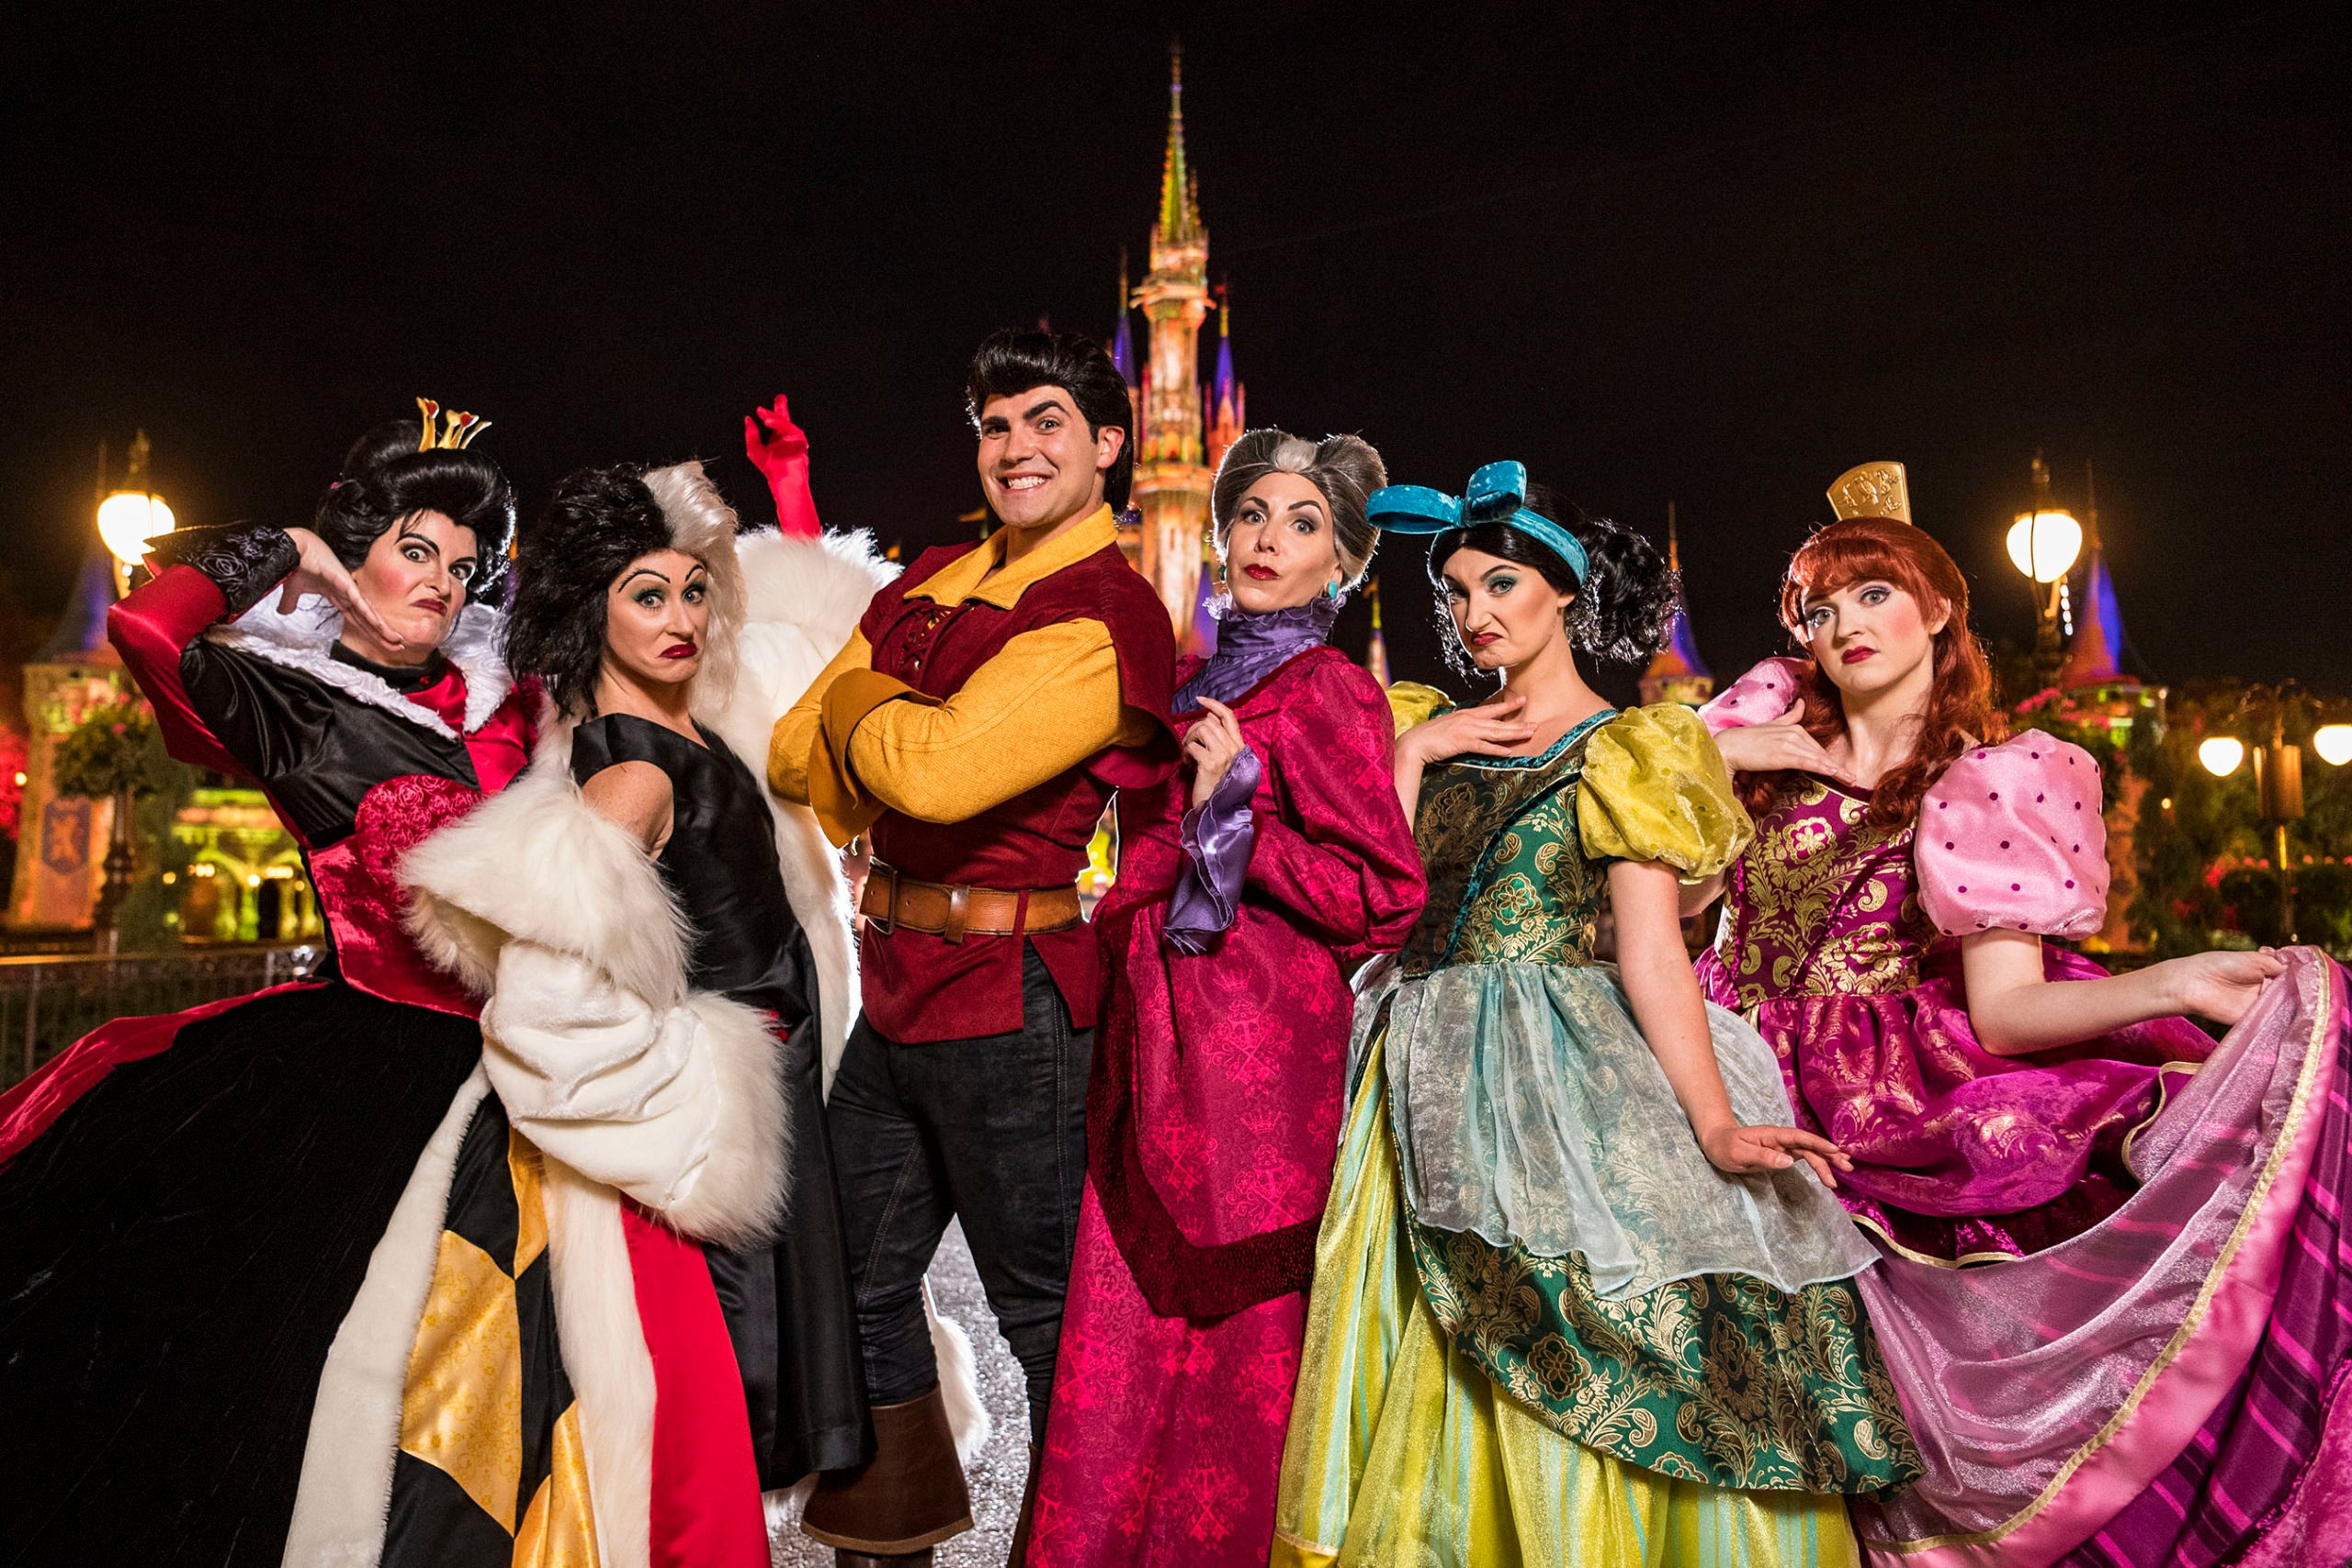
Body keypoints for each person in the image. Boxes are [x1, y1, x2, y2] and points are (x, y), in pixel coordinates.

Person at [1692, 464, 2352, 1567]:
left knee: (1886, 1429)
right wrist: (1708, 760)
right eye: (1817, 609)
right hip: (1718, 1076)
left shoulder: (1984, 784)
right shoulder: (1754, 752)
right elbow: (1640, 908)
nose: (1841, 625)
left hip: (1879, 1106)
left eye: (1871, 594)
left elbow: (2002, 1015)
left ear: (1938, 608)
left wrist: (2179, 980)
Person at [1272, 461, 1918, 1568]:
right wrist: (1416, 755)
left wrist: (1712, 1122)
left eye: (1502, 586)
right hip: (1405, 1071)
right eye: (1460, 593)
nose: (1475, 616)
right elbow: (1362, 904)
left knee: (1578, 1323)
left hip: (1556, 1075)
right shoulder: (1416, 724)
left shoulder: (1631, 748)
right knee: (1403, 1348)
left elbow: (1650, 947)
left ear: (1565, 593)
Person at [0, 405, 537, 1566]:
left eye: (460, 564)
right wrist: (292, 551)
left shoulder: (510, 702)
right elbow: (149, 625)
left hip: (542, 1059)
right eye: (412, 550)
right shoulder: (291, 703)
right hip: (378, 1070)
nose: (440, 583)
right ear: (360, 556)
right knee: (300, 1368)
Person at [347, 457, 894, 1565]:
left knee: (726, 1440)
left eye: (695, 589)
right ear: (590, 613)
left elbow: (823, 633)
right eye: (647, 595)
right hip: (708, 1144)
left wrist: (757, 508)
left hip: (766, 1107)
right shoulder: (629, 775)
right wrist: (701, 1121)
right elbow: (548, 1030)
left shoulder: (699, 730)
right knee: (694, 1443)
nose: (682, 617)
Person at [768, 329, 1179, 1564]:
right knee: (851, 1286)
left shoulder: (1109, 612)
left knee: (1049, 1317)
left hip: (1016, 1003)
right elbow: (795, 756)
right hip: (892, 984)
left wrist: (856, 701)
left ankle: (1078, 1549)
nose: (1016, 447)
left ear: (1109, 443)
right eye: (996, 426)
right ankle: (884, 1547)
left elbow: (935, 776)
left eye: (1045, 420)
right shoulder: (936, 573)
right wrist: (872, 724)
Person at [1024, 430, 1426, 1566]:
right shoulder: (1192, 686)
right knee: (1126, 1313)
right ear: (1218, 532)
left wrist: (1237, 818)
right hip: (1150, 1032)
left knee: (1245, 1333)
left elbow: (1383, 896)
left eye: (1304, 525)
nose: (1269, 539)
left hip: (1265, 1056)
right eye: (1253, 515)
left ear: (1341, 566)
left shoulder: (1334, 689)